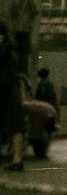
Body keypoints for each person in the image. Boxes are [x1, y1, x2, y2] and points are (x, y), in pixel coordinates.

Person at [0, 25, 23, 171]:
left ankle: (17, 160)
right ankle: (17, 160)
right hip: (11, 91)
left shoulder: (4, 49)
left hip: (7, 91)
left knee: (14, 126)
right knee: (14, 127)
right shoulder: (10, 49)